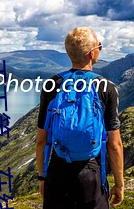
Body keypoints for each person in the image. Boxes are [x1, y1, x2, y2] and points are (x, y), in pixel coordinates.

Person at [36, 27, 124, 209]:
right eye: (100, 46)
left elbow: (41, 140)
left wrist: (42, 177)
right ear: (92, 53)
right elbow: (114, 144)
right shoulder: (106, 88)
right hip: (91, 174)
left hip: (58, 171)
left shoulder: (52, 84)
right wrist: (119, 184)